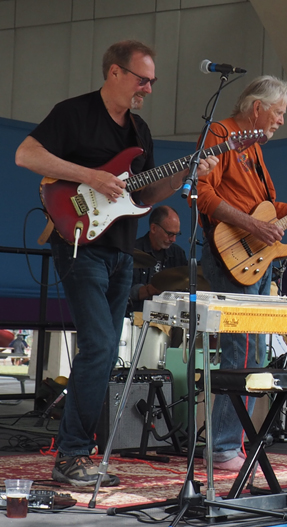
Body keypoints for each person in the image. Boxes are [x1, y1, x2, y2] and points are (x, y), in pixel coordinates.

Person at [14, 40, 217, 486]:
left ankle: (75, 451)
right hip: (81, 247)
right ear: (114, 73)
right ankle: (71, 455)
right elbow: (25, 155)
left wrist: (185, 175)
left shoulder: (138, 131)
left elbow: (143, 195)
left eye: (153, 81)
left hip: (121, 252)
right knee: (102, 346)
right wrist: (91, 176)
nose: (148, 87)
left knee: (103, 355)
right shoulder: (74, 113)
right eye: (143, 78)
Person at [196, 75, 287, 471]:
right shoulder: (221, 134)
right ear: (257, 108)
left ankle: (230, 442)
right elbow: (204, 195)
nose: (280, 121)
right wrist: (250, 225)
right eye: (278, 113)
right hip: (229, 252)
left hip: (257, 255)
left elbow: (270, 210)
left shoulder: (255, 151)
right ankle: (224, 446)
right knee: (242, 350)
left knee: (255, 351)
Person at [128, 206, 187, 313]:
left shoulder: (178, 254)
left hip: (169, 317)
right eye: (170, 234)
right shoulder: (133, 251)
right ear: (154, 228)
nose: (173, 239)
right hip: (137, 316)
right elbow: (125, 292)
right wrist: (151, 290)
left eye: (176, 234)